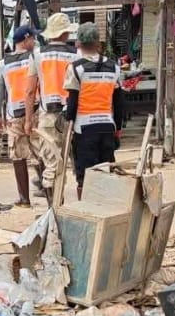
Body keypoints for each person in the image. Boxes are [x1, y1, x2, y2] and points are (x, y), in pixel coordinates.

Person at [63, 22, 124, 200]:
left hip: (84, 128)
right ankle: (104, 206)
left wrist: (69, 124)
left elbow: (72, 102)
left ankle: (86, 208)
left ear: (78, 44)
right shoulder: (114, 67)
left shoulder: (75, 68)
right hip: (107, 126)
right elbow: (119, 102)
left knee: (84, 175)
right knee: (105, 170)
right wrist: (117, 128)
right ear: (99, 43)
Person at [25, 13, 76, 203]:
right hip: (72, 116)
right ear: (65, 34)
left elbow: (30, 91)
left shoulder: (37, 56)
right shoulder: (76, 55)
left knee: (51, 165)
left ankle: (54, 208)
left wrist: (29, 120)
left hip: (48, 116)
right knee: (73, 163)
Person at [0, 24, 40, 206]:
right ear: (26, 39)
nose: (35, 41)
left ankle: (24, 198)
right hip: (36, 111)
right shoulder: (35, 57)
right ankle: (49, 193)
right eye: (33, 38)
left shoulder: (3, 63)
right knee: (40, 153)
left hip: (14, 113)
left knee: (18, 156)